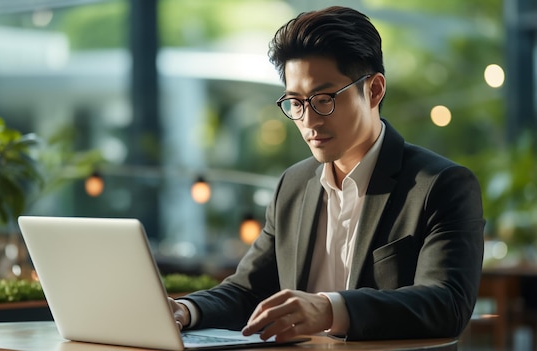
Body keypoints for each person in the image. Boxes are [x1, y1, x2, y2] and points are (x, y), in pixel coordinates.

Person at [168, 5, 484, 342]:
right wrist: (185, 310)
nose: (309, 120)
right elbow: (248, 292)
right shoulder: (293, 185)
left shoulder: (440, 185)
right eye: (296, 102)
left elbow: (446, 304)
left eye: (324, 98)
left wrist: (329, 308)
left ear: (374, 90)